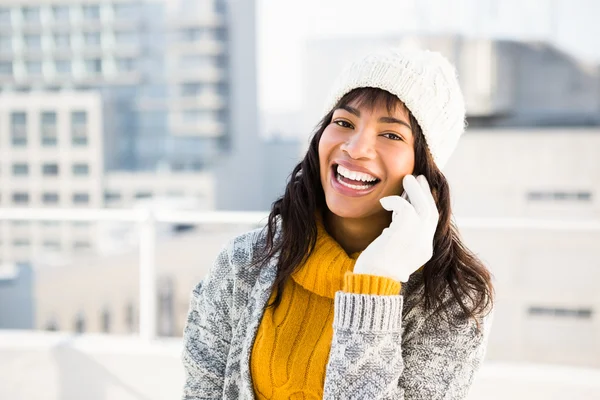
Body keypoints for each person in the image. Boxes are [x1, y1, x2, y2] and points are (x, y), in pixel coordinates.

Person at [181, 47, 495, 400]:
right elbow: (201, 390)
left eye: (391, 135)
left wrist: (375, 286)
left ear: (424, 169)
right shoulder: (247, 261)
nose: (356, 147)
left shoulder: (453, 299)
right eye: (344, 123)